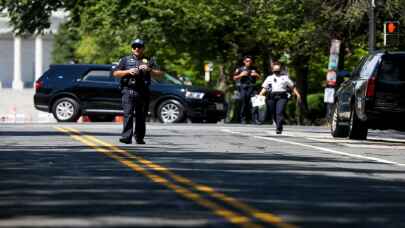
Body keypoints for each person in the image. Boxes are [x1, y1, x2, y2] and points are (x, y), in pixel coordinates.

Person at [113, 39, 163, 144]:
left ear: (143, 49)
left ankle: (139, 137)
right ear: (132, 48)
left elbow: (160, 74)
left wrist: (149, 70)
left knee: (141, 115)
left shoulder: (149, 60)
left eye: (139, 47)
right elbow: (115, 73)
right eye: (135, 46)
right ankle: (126, 137)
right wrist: (128, 71)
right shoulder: (125, 60)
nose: (137, 49)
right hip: (128, 90)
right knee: (128, 114)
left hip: (143, 91)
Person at [259, 61, 301, 134]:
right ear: (272, 70)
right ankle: (277, 122)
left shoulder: (285, 77)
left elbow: (292, 87)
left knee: (279, 112)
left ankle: (279, 127)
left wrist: (298, 94)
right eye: (275, 71)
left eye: (278, 71)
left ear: (280, 70)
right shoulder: (269, 78)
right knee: (273, 112)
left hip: (282, 97)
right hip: (271, 97)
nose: (277, 72)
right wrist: (260, 95)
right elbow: (264, 88)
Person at [233, 55, 261, 124]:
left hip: (253, 87)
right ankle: (243, 119)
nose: (249, 62)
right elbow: (234, 78)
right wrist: (241, 75)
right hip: (244, 88)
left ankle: (255, 119)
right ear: (244, 62)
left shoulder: (255, 68)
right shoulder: (240, 69)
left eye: (250, 61)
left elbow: (259, 77)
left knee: (256, 103)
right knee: (244, 104)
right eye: (247, 61)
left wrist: (256, 75)